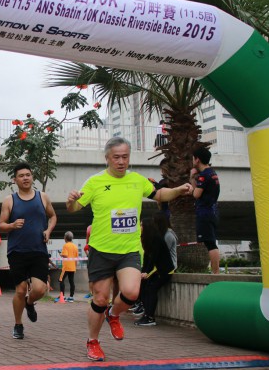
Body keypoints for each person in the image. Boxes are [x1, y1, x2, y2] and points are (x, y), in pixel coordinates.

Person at [66, 137, 193, 361]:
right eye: (116, 157)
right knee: (100, 299)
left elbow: (159, 194)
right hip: (101, 250)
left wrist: (178, 190)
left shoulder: (137, 180)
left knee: (132, 293)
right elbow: (74, 208)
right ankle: (93, 341)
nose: (121, 161)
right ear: (107, 158)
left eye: (125, 157)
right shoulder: (95, 182)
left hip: (129, 250)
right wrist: (71, 200)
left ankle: (114, 314)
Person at [0, 162, 57, 340]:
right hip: (17, 251)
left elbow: (53, 216)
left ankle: (29, 303)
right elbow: (1, 225)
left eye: (28, 175)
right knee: (20, 290)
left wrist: (48, 230)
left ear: (32, 177)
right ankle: (18, 324)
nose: (25, 178)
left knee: (40, 289)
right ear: (14, 179)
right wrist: (12, 225)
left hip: (39, 250)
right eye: (21, 175)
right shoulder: (9, 200)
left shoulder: (42, 197)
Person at [134, 217, 175, 326]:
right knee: (144, 287)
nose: (140, 227)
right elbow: (146, 258)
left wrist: (147, 272)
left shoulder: (156, 239)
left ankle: (150, 317)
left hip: (164, 271)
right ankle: (146, 314)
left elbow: (154, 258)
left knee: (151, 289)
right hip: (156, 270)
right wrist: (143, 272)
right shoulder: (146, 239)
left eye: (141, 225)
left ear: (147, 227)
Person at [190, 146, 221, 274]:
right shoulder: (213, 173)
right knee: (211, 242)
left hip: (204, 213)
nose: (192, 160)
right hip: (212, 212)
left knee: (210, 244)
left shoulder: (204, 176)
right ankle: (216, 272)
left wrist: (192, 178)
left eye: (193, 158)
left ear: (197, 159)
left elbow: (196, 194)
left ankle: (215, 273)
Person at [57, 231, 78, 302]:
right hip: (73, 266)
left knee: (61, 280)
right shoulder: (75, 246)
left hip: (66, 266)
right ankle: (71, 297)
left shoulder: (65, 245)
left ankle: (62, 296)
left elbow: (65, 255)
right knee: (71, 281)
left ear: (65, 238)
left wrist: (60, 254)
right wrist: (75, 267)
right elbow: (76, 258)